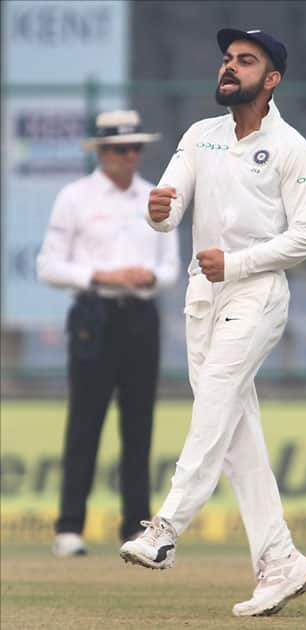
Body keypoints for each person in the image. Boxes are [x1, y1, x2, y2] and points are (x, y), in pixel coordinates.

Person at [120, 29, 306, 617]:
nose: (229, 68)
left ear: (272, 79)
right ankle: (280, 560)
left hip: (257, 293)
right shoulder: (199, 136)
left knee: (213, 401)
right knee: (236, 435)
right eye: (227, 59)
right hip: (202, 298)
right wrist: (158, 212)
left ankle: (165, 529)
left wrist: (237, 261)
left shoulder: (291, 147)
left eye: (245, 61)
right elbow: (170, 202)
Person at [36, 110, 180, 557]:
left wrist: (145, 278)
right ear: (102, 152)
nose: (130, 157)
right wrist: (105, 274)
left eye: (136, 147)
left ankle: (135, 529)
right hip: (94, 315)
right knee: (85, 421)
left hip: (140, 315)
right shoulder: (75, 197)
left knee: (138, 425)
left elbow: (171, 268)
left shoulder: (155, 196)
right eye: (121, 148)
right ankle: (69, 529)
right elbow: (49, 266)